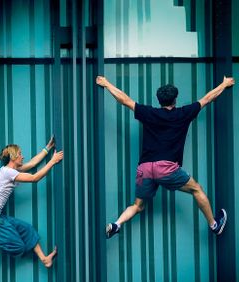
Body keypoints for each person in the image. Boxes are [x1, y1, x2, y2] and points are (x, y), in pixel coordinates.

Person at [96, 75, 235, 239]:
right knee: (197, 190)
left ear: (159, 100)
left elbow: (124, 100)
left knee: (138, 205)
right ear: (175, 100)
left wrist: (106, 83)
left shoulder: (149, 113)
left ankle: (116, 224)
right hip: (167, 168)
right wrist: (224, 83)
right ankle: (214, 225)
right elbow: (207, 99)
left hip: (145, 169)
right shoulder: (183, 113)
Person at [0, 136, 63, 267]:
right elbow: (34, 178)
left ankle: (45, 259)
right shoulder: (7, 173)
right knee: (19, 246)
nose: (22, 157)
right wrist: (53, 161)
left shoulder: (10, 171)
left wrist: (48, 148)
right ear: (13, 157)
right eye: (20, 154)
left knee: (27, 230)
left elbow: (33, 163)